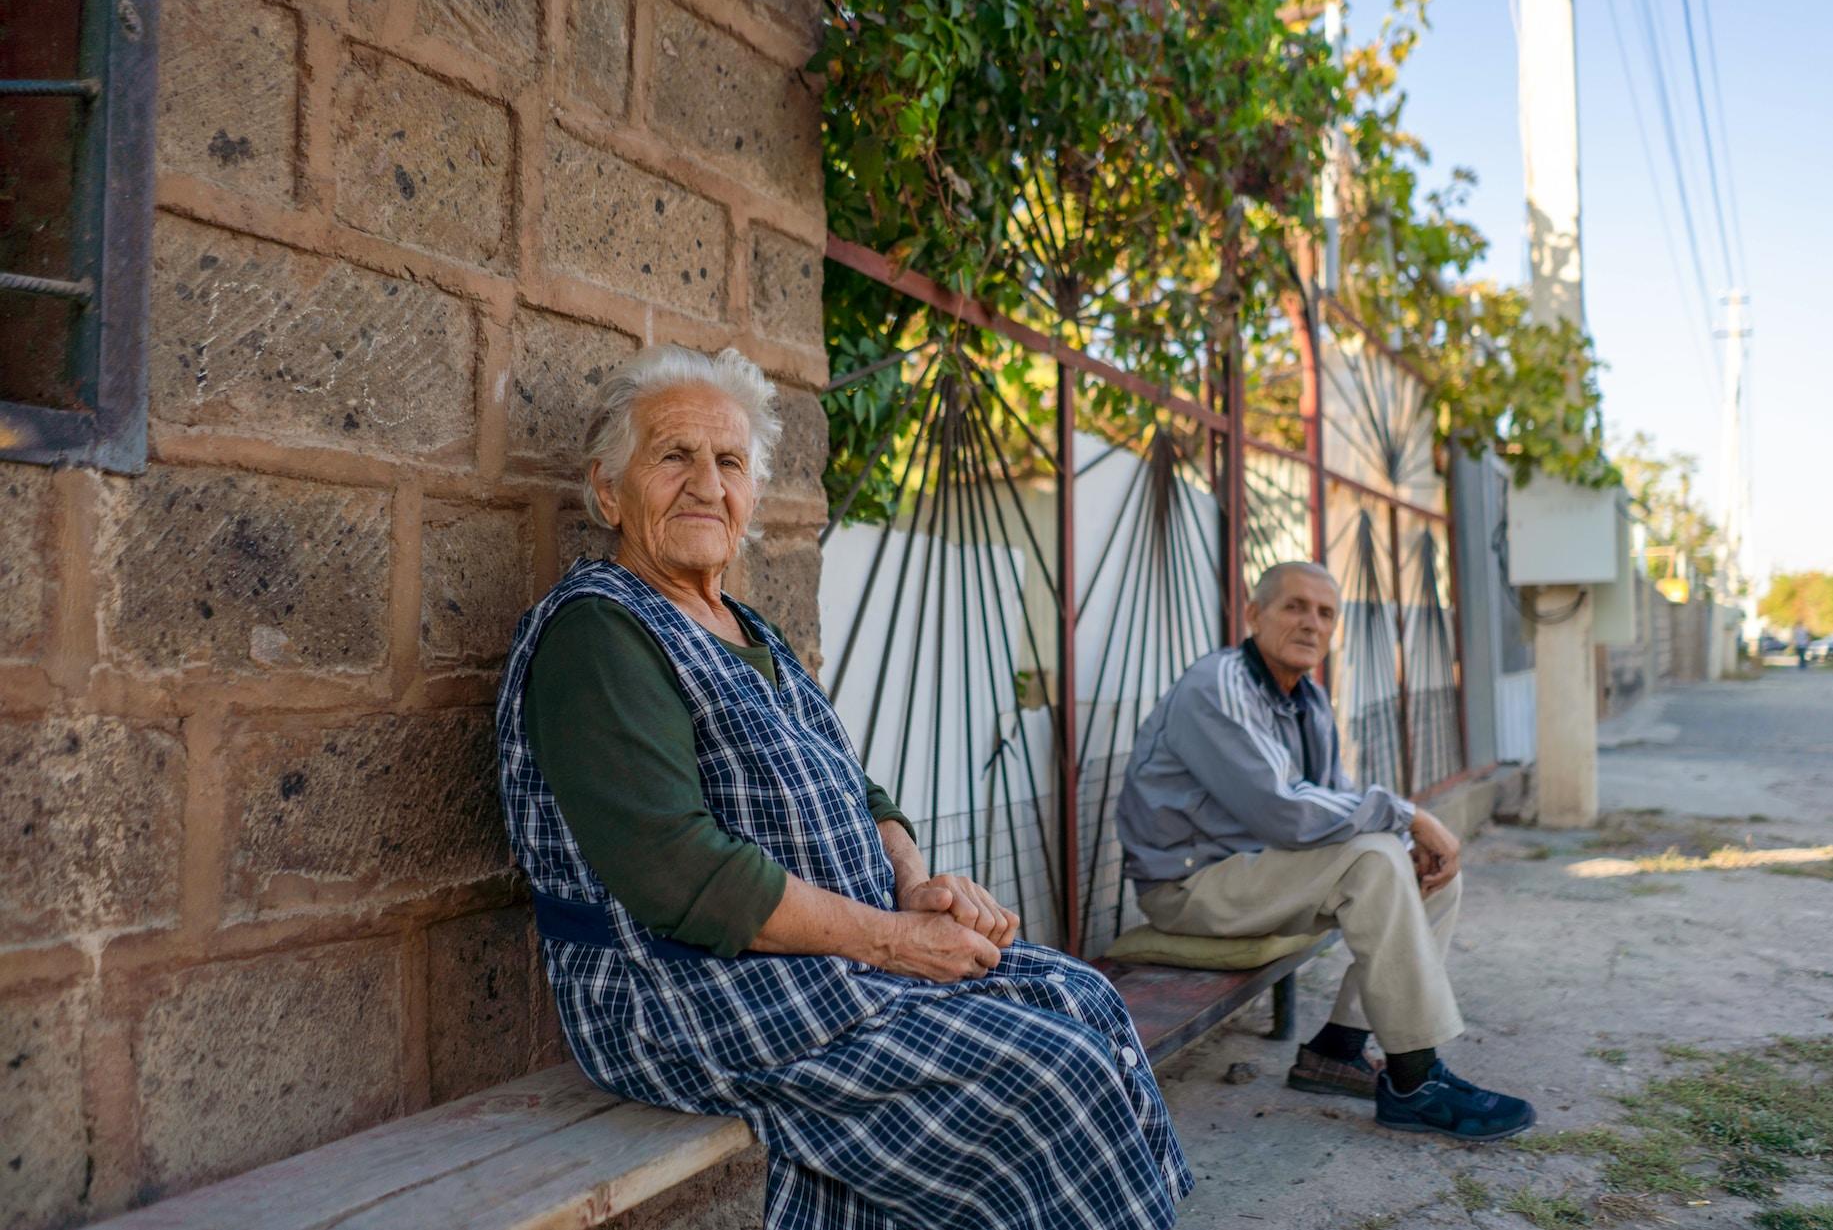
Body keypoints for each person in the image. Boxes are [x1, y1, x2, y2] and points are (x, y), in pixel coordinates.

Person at [495, 345, 1191, 1229]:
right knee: (1052, 1073)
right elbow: (678, 871)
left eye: (730, 462)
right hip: (682, 988)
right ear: (608, 492)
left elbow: (859, 788)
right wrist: (895, 941)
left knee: (1081, 997)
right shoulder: (601, 631)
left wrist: (915, 882)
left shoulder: (746, 628)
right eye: (674, 456)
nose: (707, 483)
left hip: (827, 958)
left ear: (750, 497)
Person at [1116, 560, 1535, 1142]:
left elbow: (1334, 801)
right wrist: (1411, 815)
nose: (1311, 624)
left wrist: (1406, 833)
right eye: (1294, 606)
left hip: (1261, 876)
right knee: (1377, 857)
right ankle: (1414, 1081)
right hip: (1191, 886)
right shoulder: (1220, 685)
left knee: (1421, 869)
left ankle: (1338, 1049)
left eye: (1325, 612)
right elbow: (1284, 810)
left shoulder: (1308, 699)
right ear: (1254, 614)